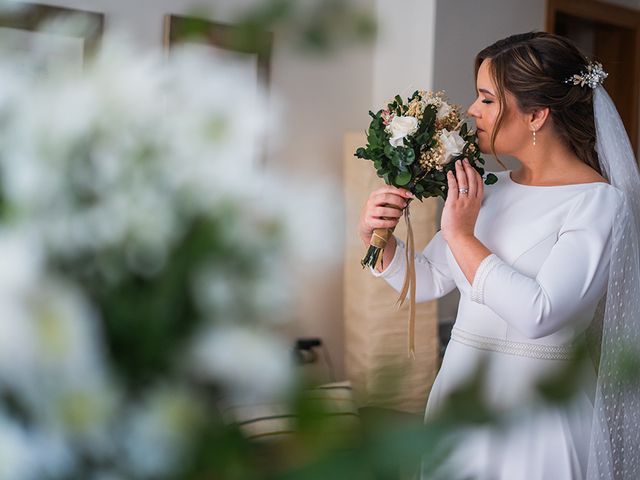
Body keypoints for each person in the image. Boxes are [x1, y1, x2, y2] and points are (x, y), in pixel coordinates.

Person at [358, 31, 640, 480]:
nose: (472, 111)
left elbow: (541, 314)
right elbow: (430, 280)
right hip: (461, 398)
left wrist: (460, 234)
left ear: (537, 115)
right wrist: (380, 238)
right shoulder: (490, 188)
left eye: (487, 99)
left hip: (538, 414)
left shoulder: (598, 203)